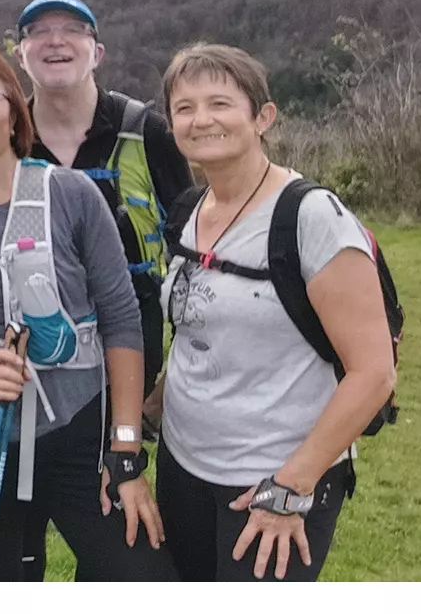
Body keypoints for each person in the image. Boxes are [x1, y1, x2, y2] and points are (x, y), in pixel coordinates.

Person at [0, 43, 173, 581]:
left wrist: (124, 451)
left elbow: (121, 320)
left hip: (81, 431)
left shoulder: (70, 195)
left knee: (141, 579)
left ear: (12, 111)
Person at [151, 44, 396, 582]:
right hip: (183, 467)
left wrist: (291, 487)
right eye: (185, 108)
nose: (202, 119)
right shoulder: (189, 212)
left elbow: (374, 371)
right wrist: (147, 414)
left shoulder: (310, 218)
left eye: (220, 103)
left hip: (273, 481)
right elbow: (202, 329)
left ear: (263, 117)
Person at [15, 0, 191, 391]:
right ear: (20, 55)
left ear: (97, 54)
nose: (55, 40)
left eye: (73, 30)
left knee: (118, 451)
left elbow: (192, 252)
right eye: (38, 31)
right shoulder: (5, 140)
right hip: (29, 352)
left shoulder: (147, 133)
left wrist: (175, 373)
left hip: (131, 344)